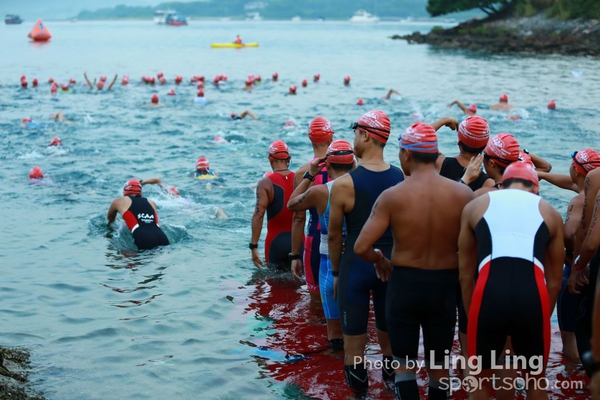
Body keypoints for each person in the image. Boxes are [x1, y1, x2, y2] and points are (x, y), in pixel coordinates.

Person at [354, 122, 474, 400]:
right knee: (439, 369)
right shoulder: (462, 195)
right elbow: (473, 250)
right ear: (435, 155)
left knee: (404, 369)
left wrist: (379, 259)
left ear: (406, 154)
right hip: (444, 288)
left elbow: (361, 246)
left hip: (405, 285)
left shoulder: (394, 196)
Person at [458, 162, 564, 399]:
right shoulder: (550, 212)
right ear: (535, 188)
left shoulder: (475, 206)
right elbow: (555, 282)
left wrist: (475, 314)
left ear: (501, 185)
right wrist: (540, 320)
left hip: (488, 295)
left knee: (479, 381)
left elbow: (465, 276)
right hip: (531, 297)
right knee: (535, 380)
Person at [328, 110, 404, 394]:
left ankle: (361, 396)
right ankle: (394, 390)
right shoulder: (399, 177)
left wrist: (336, 273)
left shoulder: (344, 184)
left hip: (356, 267)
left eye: (355, 133)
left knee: (354, 351)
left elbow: (335, 235)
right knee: (391, 345)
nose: (353, 139)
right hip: (390, 268)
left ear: (366, 136)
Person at [288, 140, 354, 351]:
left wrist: (310, 174)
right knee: (357, 323)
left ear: (328, 165)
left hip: (329, 263)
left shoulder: (321, 192)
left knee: (333, 330)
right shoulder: (361, 188)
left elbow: (292, 204)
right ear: (352, 164)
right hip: (357, 259)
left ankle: (338, 363)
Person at [538, 148, 600, 363]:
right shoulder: (591, 190)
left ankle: (574, 374)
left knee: (570, 333)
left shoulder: (578, 202)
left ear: (576, 169)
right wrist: (543, 175)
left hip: (577, 269)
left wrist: (564, 252)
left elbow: (572, 232)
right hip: (594, 269)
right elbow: (569, 182)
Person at [290, 116, 334, 307]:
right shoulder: (347, 168)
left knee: (316, 303)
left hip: (313, 239)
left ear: (310, 139)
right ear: (331, 138)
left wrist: (294, 255)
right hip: (341, 238)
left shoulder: (302, 173)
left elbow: (298, 218)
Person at [250, 140, 296, 270]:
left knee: (274, 284)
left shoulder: (265, 183)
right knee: (299, 284)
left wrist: (253, 246)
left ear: (270, 159)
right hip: (299, 243)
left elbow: (258, 215)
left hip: (275, 243)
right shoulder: (301, 179)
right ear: (289, 159)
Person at [106, 178, 170, 251]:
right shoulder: (151, 202)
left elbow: (110, 219)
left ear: (125, 190)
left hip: (143, 237)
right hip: (162, 236)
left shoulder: (118, 201)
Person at [434, 115, 495, 191]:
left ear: (459, 142)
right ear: (485, 146)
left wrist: (445, 120)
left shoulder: (440, 163)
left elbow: (419, 139)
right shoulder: (488, 184)